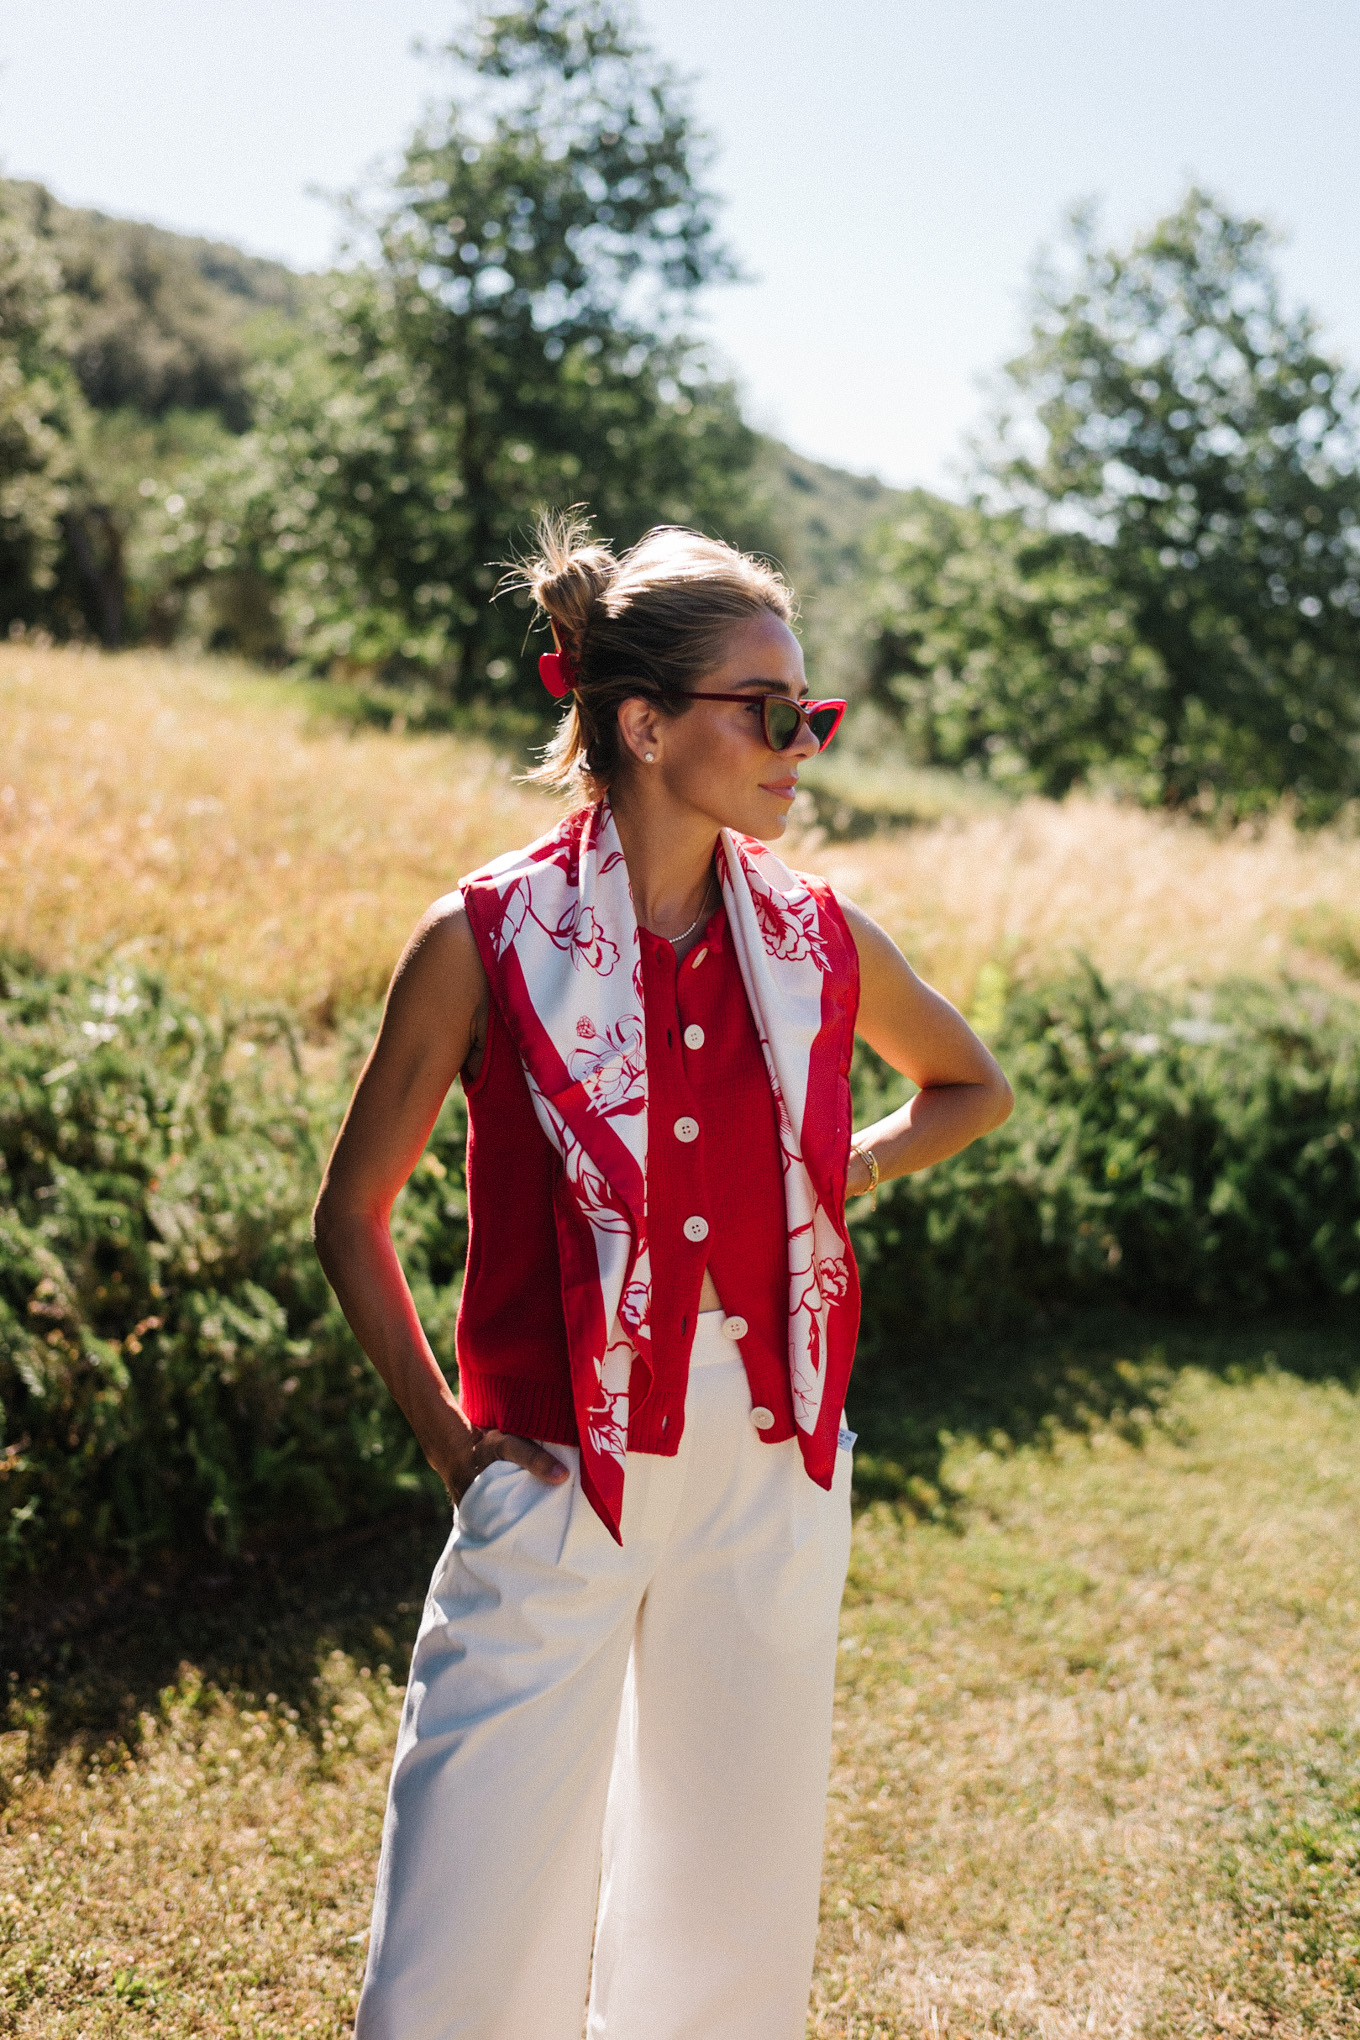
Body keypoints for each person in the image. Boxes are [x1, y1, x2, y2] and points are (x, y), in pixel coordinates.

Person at [312, 516, 1013, 2040]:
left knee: (726, 1904)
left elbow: (971, 1085)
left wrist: (842, 1175)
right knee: (464, 1913)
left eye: (808, 714)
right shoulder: (484, 936)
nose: (802, 746)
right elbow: (351, 1214)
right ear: (642, 723)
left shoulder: (817, 936)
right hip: (552, 1463)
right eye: (771, 712)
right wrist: (449, 1442)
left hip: (769, 1463)